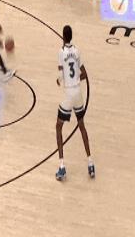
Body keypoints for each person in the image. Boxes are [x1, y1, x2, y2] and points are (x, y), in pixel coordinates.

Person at [55, 25, 94, 181]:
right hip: (78, 93)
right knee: (82, 126)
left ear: (63, 36)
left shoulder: (61, 52)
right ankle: (90, 163)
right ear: (71, 36)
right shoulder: (77, 51)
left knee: (58, 127)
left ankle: (62, 167)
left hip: (69, 94)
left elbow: (60, 76)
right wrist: (76, 78)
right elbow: (84, 74)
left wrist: (59, 81)